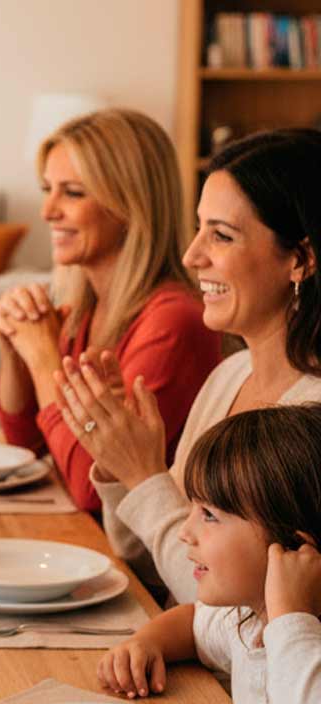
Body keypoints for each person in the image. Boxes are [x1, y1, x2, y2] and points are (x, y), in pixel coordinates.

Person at [58, 129, 321, 604]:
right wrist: (121, 463)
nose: (191, 255)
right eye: (199, 228)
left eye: (221, 235)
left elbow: (223, 606)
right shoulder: (230, 376)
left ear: (300, 259)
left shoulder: (310, 413)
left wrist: (144, 476)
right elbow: (151, 560)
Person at [0, 108, 221, 512]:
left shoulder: (173, 322)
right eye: (48, 189)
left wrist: (44, 358)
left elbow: (91, 488)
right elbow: (26, 446)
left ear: (130, 204)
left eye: (73, 192)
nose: (48, 211)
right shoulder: (85, 310)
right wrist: (15, 354)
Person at [97, 405, 321, 704]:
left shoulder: (299, 634)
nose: (186, 532)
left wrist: (291, 618)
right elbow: (196, 624)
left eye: (210, 516)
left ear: (293, 546)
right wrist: (147, 642)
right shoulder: (249, 619)